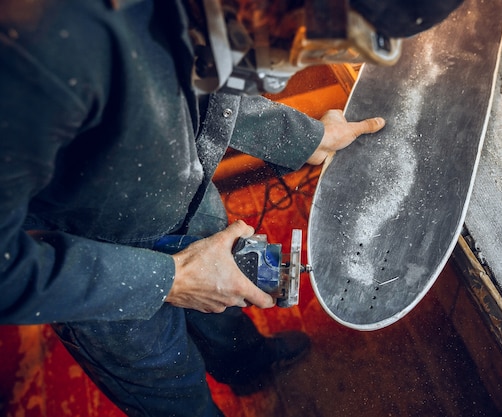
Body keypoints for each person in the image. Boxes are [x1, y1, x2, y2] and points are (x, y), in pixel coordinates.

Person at [0, 0, 462, 415]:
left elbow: (205, 82)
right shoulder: (38, 49)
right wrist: (172, 279)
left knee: (224, 318)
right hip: (100, 267)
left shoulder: (218, 14)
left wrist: (308, 138)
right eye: (309, 44)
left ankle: (246, 365)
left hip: (187, 198)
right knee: (170, 387)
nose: (309, 62)